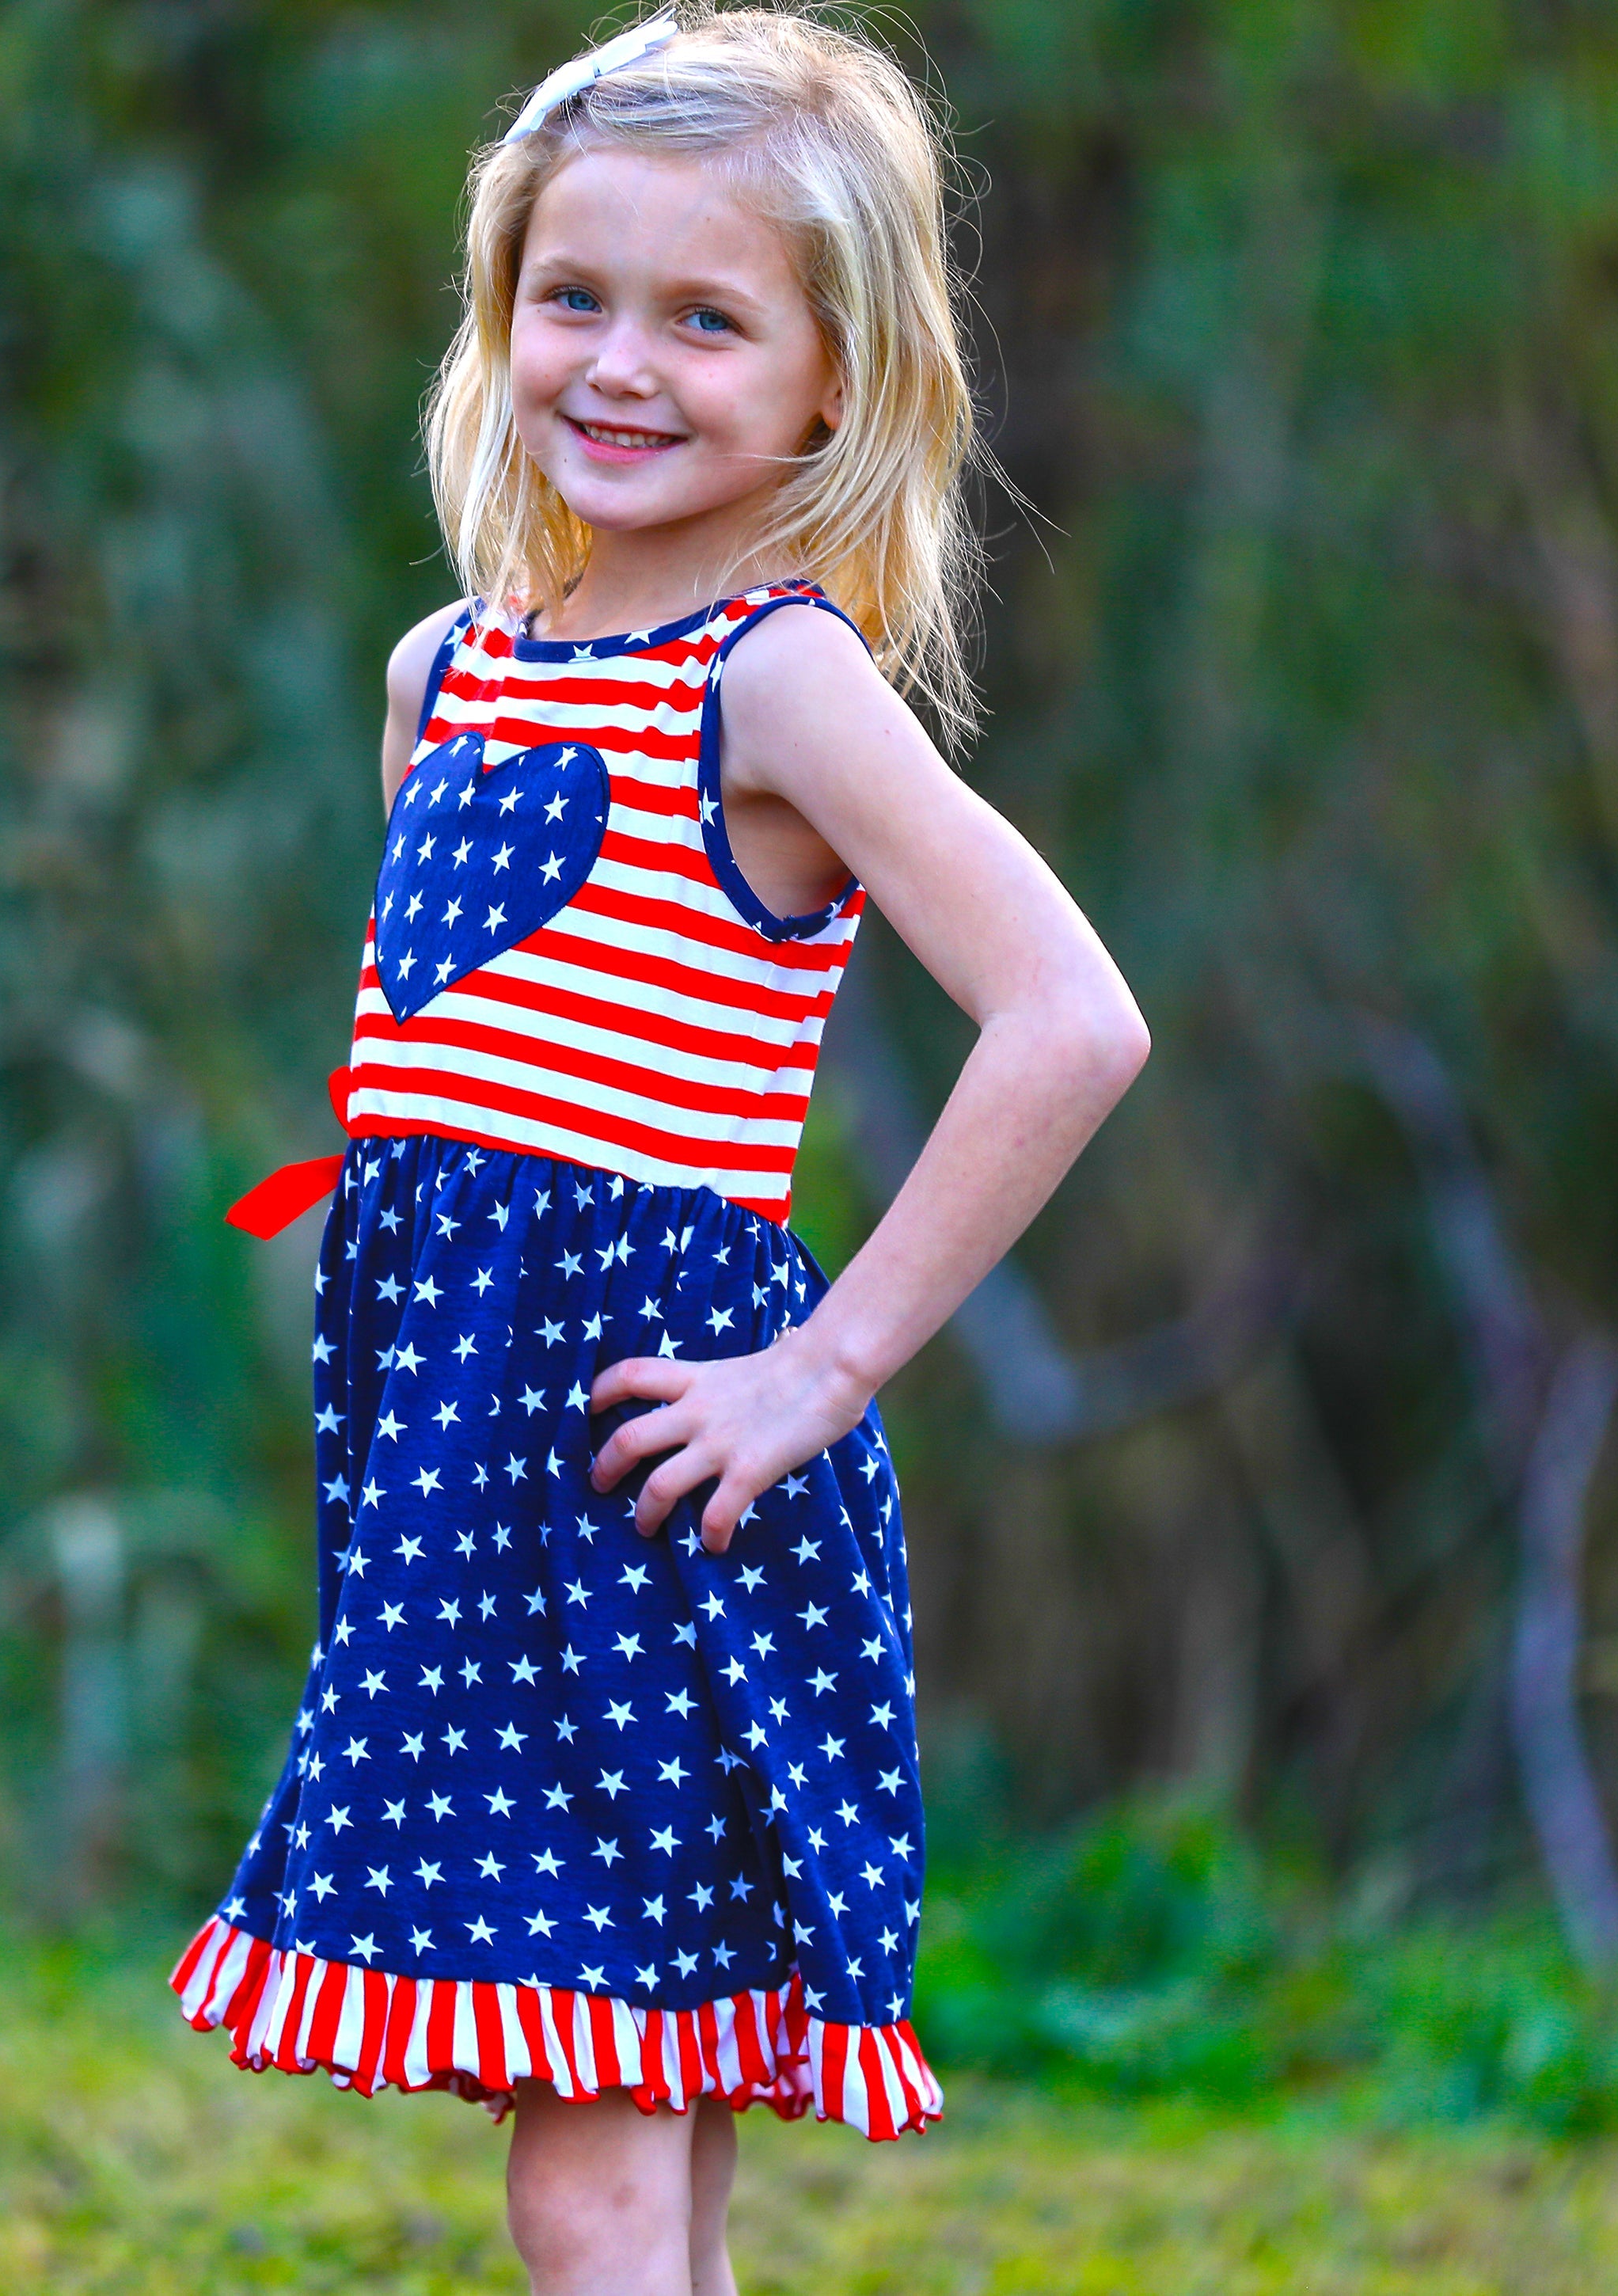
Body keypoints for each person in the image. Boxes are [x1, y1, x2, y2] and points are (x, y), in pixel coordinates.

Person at [171, 7, 1149, 2290]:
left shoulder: (774, 683)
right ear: (496, 313)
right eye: (569, 298)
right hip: (455, 1474)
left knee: (590, 2141)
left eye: (705, 318)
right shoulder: (450, 674)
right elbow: (459, 1099)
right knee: (634, 2136)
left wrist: (819, 1373)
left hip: (646, 1479)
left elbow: (1068, 1016)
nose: (618, 364)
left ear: (831, 381)